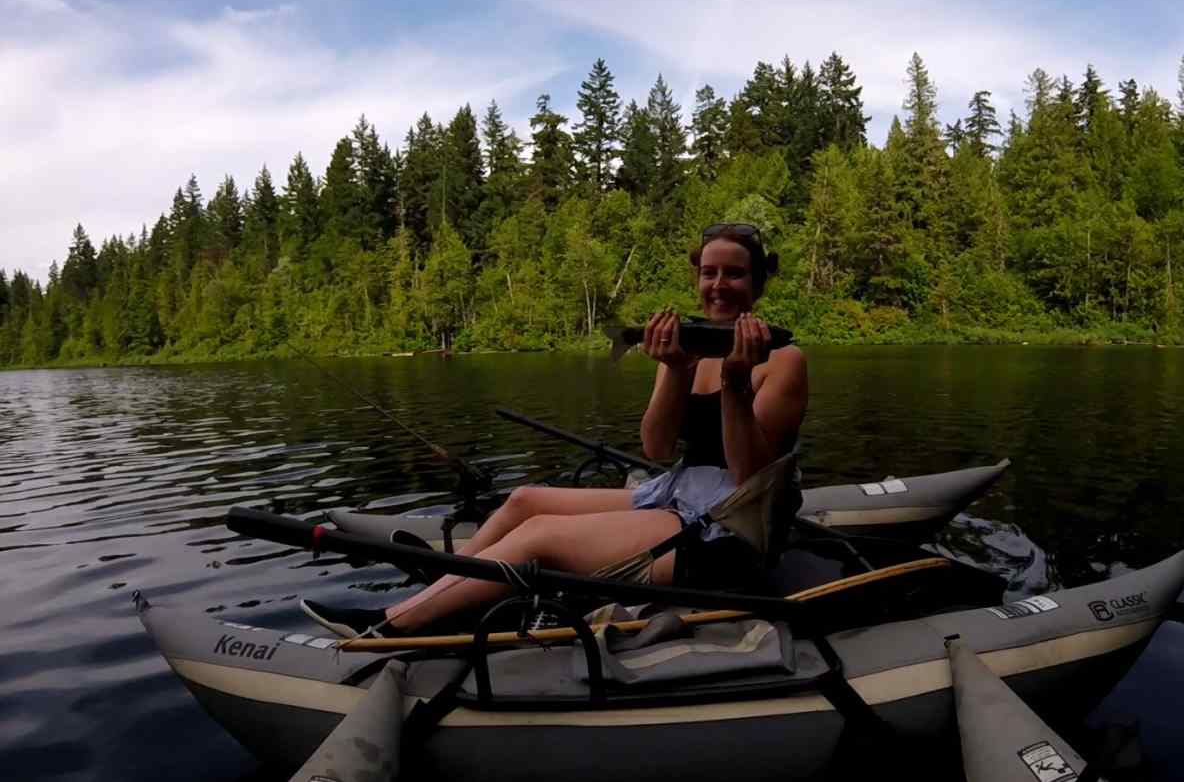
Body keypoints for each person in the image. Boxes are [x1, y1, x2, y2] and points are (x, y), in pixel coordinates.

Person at [302, 223, 808, 638]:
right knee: (523, 500)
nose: (718, 285)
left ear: (758, 283)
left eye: (734, 274)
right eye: (709, 272)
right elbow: (656, 447)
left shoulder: (783, 360)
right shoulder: (686, 348)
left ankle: (390, 625)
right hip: (679, 493)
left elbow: (749, 477)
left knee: (540, 535)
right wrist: (674, 370)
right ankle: (449, 590)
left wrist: (735, 383)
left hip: (732, 527)